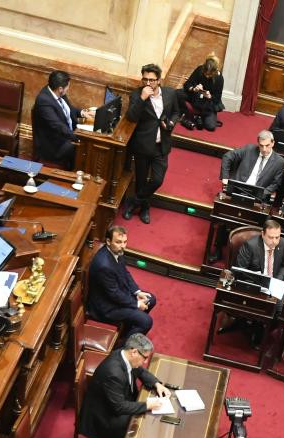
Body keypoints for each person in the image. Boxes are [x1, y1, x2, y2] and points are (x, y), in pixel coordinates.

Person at [77, 333, 171, 438]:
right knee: (142, 424)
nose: (145, 362)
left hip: (117, 400)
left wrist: (156, 384)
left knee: (146, 414)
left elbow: (140, 371)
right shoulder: (114, 373)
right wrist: (148, 405)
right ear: (134, 352)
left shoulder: (124, 354)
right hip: (104, 416)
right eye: (145, 358)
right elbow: (119, 407)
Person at [123, 64, 181, 224]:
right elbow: (131, 117)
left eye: (152, 80)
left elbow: (176, 112)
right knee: (141, 180)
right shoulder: (136, 95)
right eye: (145, 79)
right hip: (142, 145)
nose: (148, 83)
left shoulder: (169, 93)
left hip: (161, 145)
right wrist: (142, 98)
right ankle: (144, 208)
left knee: (157, 180)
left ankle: (134, 202)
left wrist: (171, 123)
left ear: (159, 80)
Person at [86, 225, 156, 338]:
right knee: (146, 321)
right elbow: (114, 294)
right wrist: (136, 304)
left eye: (125, 242)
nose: (123, 246)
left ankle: (129, 327)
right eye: (118, 242)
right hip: (106, 308)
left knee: (150, 299)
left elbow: (125, 273)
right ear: (108, 241)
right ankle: (124, 345)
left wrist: (137, 292)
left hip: (118, 295)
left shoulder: (117, 252)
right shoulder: (104, 265)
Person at [30, 70, 93, 170]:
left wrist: (83, 113)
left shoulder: (58, 92)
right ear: (60, 89)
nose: (68, 89)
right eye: (67, 87)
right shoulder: (43, 101)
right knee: (84, 149)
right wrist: (79, 138)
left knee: (88, 143)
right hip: (53, 147)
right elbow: (58, 125)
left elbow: (69, 109)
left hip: (65, 136)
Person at [218, 130, 284, 201]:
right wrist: (225, 177)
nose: (264, 149)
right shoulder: (249, 149)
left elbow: (275, 184)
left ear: (273, 143)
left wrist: (261, 194)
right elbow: (227, 156)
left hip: (257, 197)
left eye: (267, 145)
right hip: (237, 189)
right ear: (258, 144)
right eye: (261, 145)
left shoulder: (279, 161)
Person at [180, 53, 224, 131]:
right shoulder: (200, 69)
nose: (207, 76)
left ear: (215, 71)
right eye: (205, 73)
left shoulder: (219, 78)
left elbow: (217, 98)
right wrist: (193, 89)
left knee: (211, 127)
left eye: (209, 74)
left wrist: (210, 96)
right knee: (177, 93)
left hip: (208, 104)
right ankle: (184, 113)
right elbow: (188, 84)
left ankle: (199, 115)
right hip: (195, 96)